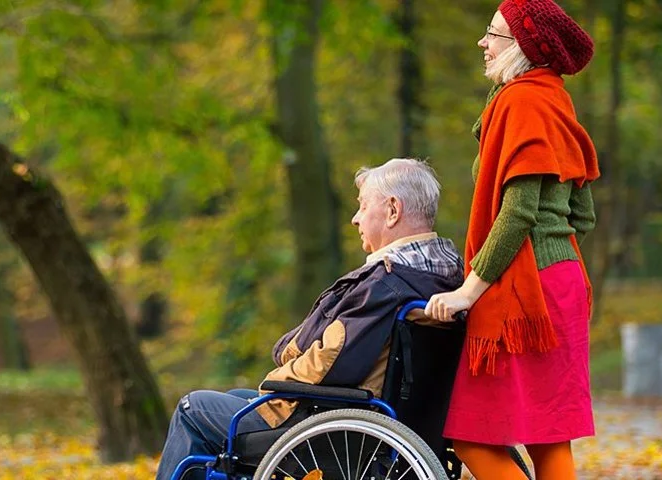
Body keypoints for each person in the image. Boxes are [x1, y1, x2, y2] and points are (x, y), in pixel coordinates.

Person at [154, 158, 464, 480]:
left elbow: (333, 361)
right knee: (233, 400)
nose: (355, 219)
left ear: (392, 210)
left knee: (193, 408)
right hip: (388, 424)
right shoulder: (445, 281)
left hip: (336, 427)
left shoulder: (387, 284)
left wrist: (280, 377)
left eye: (362, 206)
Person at [422, 1, 601, 479]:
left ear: (523, 47)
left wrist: (469, 290)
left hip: (529, 292)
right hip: (561, 282)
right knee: (547, 435)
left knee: (471, 435)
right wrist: (552, 250)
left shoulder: (521, 102)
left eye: (494, 34)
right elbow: (581, 215)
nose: (483, 42)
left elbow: (518, 213)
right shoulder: (555, 99)